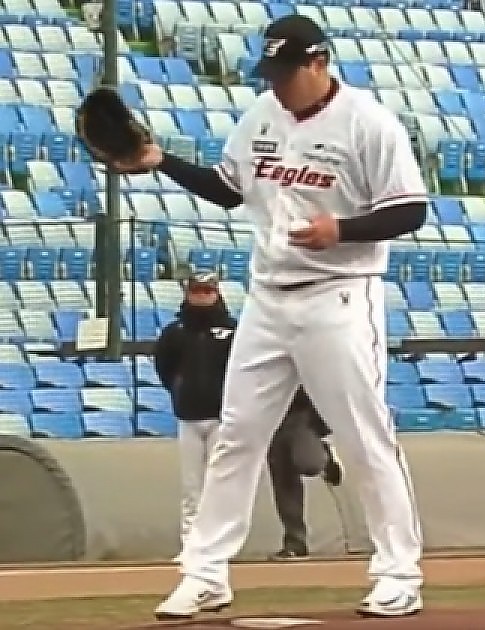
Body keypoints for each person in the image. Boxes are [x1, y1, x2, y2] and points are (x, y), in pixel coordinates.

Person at [112, 15, 428, 620]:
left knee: (363, 438)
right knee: (236, 436)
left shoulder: (368, 123)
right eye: (271, 72)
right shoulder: (262, 115)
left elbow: (411, 209)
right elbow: (228, 188)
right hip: (267, 298)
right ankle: (205, 573)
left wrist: (342, 229)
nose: (277, 83)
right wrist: (161, 160)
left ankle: (398, 575)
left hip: (339, 295)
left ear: (319, 63)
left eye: (287, 71)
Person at [152, 271, 237, 555]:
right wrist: (180, 390)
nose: (202, 297)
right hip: (188, 417)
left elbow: (241, 370)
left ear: (216, 293)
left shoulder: (232, 331)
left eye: (207, 291)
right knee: (191, 486)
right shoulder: (175, 331)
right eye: (197, 291)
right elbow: (164, 366)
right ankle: (191, 545)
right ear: (188, 294)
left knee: (219, 483)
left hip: (221, 417)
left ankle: (218, 545)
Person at [267, 387, 344, 561]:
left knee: (309, 463)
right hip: (269, 415)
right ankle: (295, 543)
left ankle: (324, 456)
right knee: (283, 479)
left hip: (300, 410)